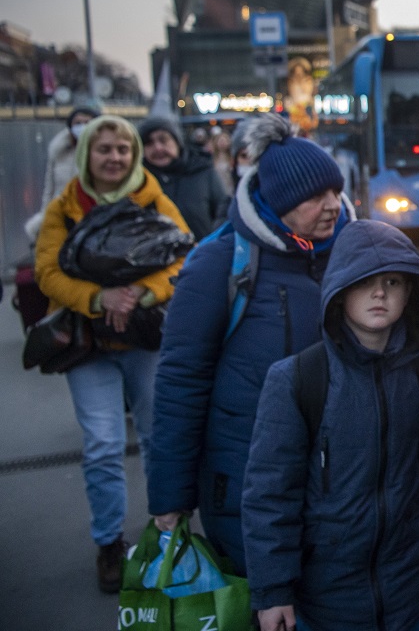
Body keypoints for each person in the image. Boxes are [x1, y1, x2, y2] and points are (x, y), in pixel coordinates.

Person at [148, 112, 352, 575]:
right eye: (315, 196)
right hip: (244, 480)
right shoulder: (218, 265)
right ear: (278, 201)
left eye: (336, 192)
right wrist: (171, 496)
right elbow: (181, 380)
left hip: (341, 479)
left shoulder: (355, 254)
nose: (333, 205)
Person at [242, 220, 419, 631]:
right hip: (327, 598)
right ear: (341, 291)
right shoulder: (298, 379)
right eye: (366, 282)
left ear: (410, 293)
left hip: (409, 588)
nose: (380, 293)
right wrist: (273, 592)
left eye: (394, 281)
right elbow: (270, 494)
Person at [34, 114, 189, 593]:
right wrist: (100, 299)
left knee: (155, 437)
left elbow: (186, 256)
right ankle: (108, 545)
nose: (115, 158)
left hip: (143, 340)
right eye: (104, 150)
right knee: (102, 445)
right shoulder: (65, 207)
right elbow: (46, 272)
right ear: (87, 156)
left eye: (123, 150)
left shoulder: (154, 199)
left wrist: (140, 294)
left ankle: (165, 533)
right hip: (88, 344)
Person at [24, 99, 103, 242]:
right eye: (77, 123)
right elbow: (49, 188)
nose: (82, 127)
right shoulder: (58, 152)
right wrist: (45, 216)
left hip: (91, 218)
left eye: (87, 122)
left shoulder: (102, 154)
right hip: (60, 216)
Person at [139, 115, 229, 239]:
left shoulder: (203, 172)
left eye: (163, 140)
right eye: (149, 143)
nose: (158, 148)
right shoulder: (140, 183)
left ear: (177, 141)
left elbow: (224, 214)